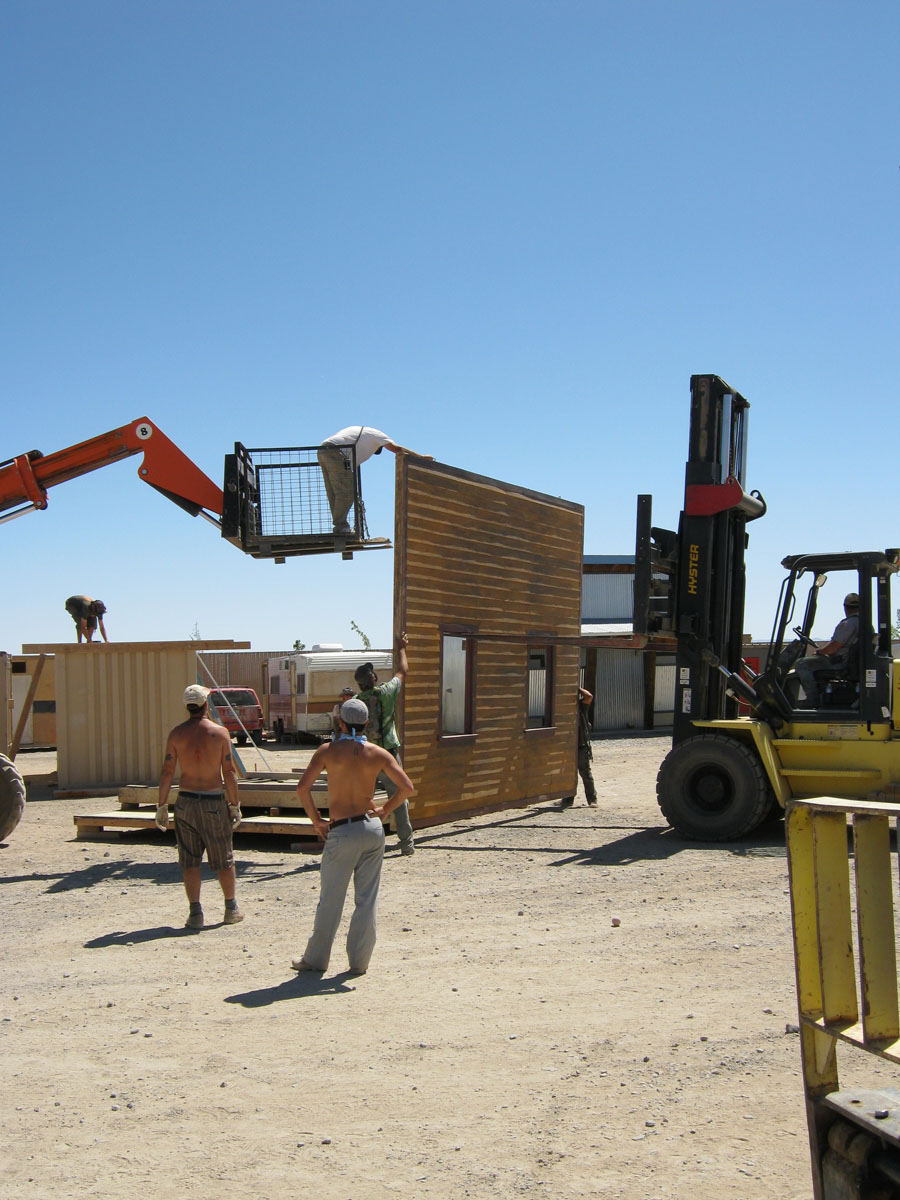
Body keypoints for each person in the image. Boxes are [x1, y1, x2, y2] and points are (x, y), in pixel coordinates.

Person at [292, 697, 414, 975]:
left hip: (342, 827)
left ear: (340, 722)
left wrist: (317, 822)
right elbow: (406, 787)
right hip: (371, 827)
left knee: (331, 899)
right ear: (367, 723)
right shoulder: (379, 753)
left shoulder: (327, 751)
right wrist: (384, 810)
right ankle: (359, 962)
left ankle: (316, 959)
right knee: (366, 899)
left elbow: (302, 788)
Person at [156, 684, 244, 931]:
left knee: (190, 860)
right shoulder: (219, 733)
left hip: (185, 802)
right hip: (213, 801)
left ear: (187, 706)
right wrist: (234, 804)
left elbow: (167, 771)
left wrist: (162, 805)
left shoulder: (176, 735)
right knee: (224, 858)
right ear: (206, 705)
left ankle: (195, 914)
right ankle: (231, 908)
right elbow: (229, 772)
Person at [354, 631, 415, 854]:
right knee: (398, 794)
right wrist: (401, 647)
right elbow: (403, 671)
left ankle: (363, 842)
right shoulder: (386, 693)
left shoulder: (356, 703)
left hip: (365, 754)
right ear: (374, 678)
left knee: (362, 796)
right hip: (388, 752)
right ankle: (406, 842)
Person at [317, 425, 432, 535]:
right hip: (335, 452)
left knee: (334, 492)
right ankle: (341, 526)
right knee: (347, 491)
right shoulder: (378, 435)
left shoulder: (361, 433)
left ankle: (339, 526)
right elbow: (397, 449)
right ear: (380, 445)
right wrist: (421, 457)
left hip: (323, 450)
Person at [791, 592, 861, 709]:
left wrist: (819, 652)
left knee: (802, 663)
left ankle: (813, 700)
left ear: (845, 608)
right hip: (849, 663)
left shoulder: (848, 624)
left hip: (839, 663)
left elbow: (834, 647)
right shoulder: (863, 623)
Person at [560, 686, 598, 808]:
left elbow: (589, 696)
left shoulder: (581, 707)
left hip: (581, 745)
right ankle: (567, 800)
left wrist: (576, 687)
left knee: (585, 773)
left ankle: (592, 800)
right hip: (567, 747)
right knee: (568, 774)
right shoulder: (562, 711)